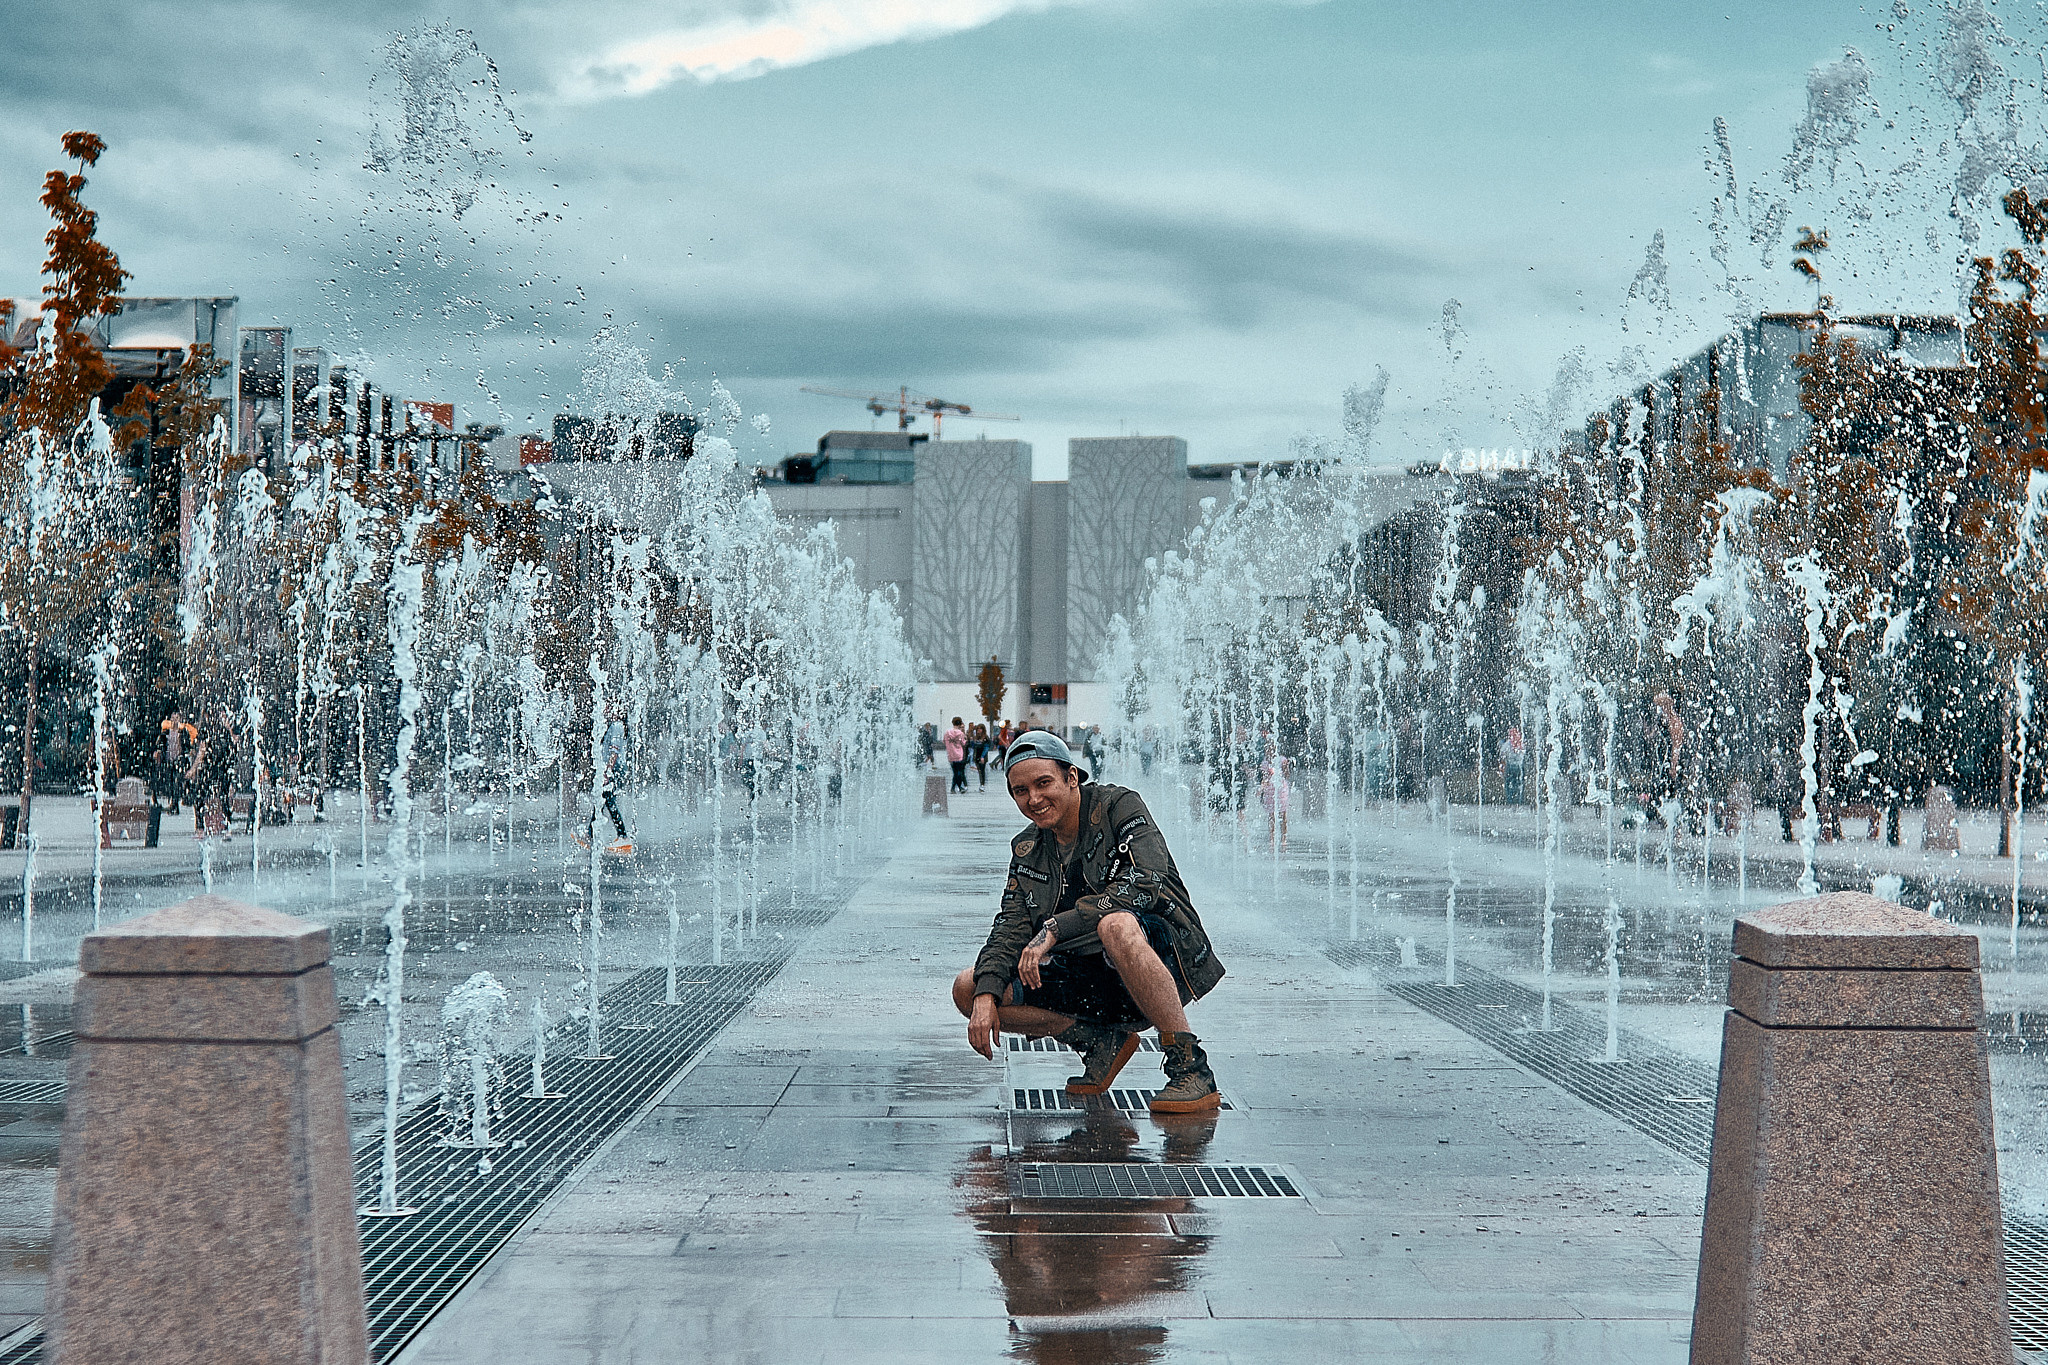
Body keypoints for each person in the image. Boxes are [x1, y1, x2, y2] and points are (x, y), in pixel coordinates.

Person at [952, 730, 1226, 1114]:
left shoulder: (1119, 808)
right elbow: (1010, 925)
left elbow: (1146, 880)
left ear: (1071, 777)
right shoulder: (1028, 849)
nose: (1034, 799)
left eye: (1043, 783)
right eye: (1020, 790)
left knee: (1115, 925)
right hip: (1090, 978)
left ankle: (1191, 1069)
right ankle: (1099, 1043)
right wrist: (985, 995)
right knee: (968, 986)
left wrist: (1055, 928)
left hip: (1162, 957)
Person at [585, 705, 632, 852]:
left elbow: (614, 752)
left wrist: (607, 772)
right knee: (603, 800)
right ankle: (590, 834)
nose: (606, 710)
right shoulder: (614, 726)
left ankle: (623, 836)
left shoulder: (617, 726)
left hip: (614, 769)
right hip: (612, 769)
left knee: (608, 800)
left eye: (610, 708)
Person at [944, 716, 969, 795]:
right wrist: (965, 738)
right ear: (960, 723)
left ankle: (955, 788)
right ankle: (957, 787)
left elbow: (944, 741)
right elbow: (963, 743)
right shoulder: (960, 733)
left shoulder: (947, 732)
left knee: (955, 771)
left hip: (951, 754)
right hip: (959, 754)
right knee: (958, 772)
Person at [969, 721, 991, 789]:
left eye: (980, 729)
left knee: (982, 770)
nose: (979, 730)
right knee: (979, 770)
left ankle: (982, 784)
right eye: (978, 729)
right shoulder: (976, 737)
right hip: (976, 756)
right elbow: (973, 746)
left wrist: (982, 756)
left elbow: (986, 748)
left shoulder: (985, 738)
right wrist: (971, 740)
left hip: (982, 756)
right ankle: (981, 783)